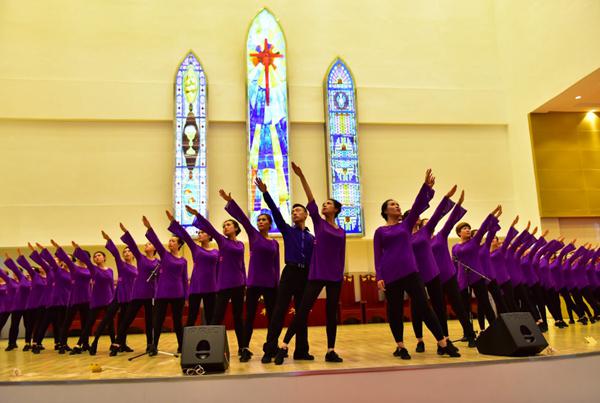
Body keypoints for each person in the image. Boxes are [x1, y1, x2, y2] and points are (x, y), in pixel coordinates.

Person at [374, 169, 460, 360]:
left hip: (411, 272)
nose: (396, 206)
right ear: (385, 211)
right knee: (394, 311)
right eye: (392, 205)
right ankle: (401, 346)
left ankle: (443, 343)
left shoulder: (405, 225)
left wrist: (426, 187)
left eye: (397, 204)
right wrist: (379, 276)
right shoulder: (380, 231)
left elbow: (417, 205)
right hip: (390, 274)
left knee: (425, 306)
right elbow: (377, 254)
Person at [274, 162, 346, 365]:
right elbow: (311, 199)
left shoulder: (341, 232)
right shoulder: (318, 223)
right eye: (323, 204)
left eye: (328, 204)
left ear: (337, 209)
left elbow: (341, 255)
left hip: (335, 276)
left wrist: (340, 275)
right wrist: (301, 176)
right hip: (317, 274)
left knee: (331, 313)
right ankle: (284, 345)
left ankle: (331, 350)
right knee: (303, 310)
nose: (324, 206)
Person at [255, 177, 315, 364]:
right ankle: (270, 349)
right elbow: (275, 211)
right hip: (290, 273)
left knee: (302, 313)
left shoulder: (312, 238)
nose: (295, 213)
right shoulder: (288, 231)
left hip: (305, 275)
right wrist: (265, 193)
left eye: (298, 210)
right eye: (293, 211)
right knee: (279, 312)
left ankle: (301, 350)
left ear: (306, 215)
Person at [218, 190, 279, 362]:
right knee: (249, 317)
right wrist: (231, 201)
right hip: (253, 283)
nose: (260, 222)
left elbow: (276, 265)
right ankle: (244, 348)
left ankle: (271, 347)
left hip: (270, 284)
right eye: (259, 220)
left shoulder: (274, 243)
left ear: (269, 224)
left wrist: (277, 284)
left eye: (264, 220)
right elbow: (243, 219)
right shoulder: (253, 236)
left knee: (272, 318)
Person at [186, 204, 246, 355]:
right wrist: (197, 215)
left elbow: (242, 265)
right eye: (224, 225)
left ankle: (243, 348)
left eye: (228, 225)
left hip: (239, 284)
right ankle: (210, 348)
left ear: (236, 228)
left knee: (238, 317)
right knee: (216, 318)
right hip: (224, 286)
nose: (225, 227)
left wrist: (245, 282)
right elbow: (210, 228)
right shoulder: (222, 241)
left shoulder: (241, 245)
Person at [408, 185, 457, 353]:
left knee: (439, 306)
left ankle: (444, 340)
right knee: (418, 308)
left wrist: (446, 198)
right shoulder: (402, 235)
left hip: (431, 272)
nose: (416, 218)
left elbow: (437, 215)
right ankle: (420, 340)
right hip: (414, 275)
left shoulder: (424, 231)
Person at [430, 190, 476, 347]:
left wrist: (459, 204)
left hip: (449, 276)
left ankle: (470, 335)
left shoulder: (440, 236)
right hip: (433, 278)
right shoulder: (419, 242)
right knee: (439, 310)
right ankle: (444, 340)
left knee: (459, 307)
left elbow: (450, 221)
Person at [143, 216, 188, 355]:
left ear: (179, 244)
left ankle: (181, 346)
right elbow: (155, 241)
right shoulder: (164, 255)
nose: (170, 242)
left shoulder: (184, 261)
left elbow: (184, 279)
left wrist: (186, 297)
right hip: (162, 293)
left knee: (177, 322)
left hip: (178, 294)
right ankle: (153, 346)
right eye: (169, 240)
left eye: (173, 241)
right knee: (157, 321)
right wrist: (149, 228)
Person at [111, 224, 159, 356]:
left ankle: (150, 345)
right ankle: (117, 343)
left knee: (150, 321)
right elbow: (132, 245)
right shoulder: (140, 257)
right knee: (127, 319)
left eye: (149, 244)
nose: (146, 245)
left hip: (151, 295)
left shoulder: (158, 263)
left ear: (154, 248)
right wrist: (126, 232)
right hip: (138, 293)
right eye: (146, 244)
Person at [453, 205, 502, 330]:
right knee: (465, 307)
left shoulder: (474, 242)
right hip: (462, 278)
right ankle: (468, 332)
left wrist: (492, 215)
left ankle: (495, 328)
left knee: (485, 303)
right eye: (465, 228)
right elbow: (455, 262)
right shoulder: (455, 247)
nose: (468, 230)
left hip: (476, 275)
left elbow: (483, 228)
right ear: (459, 233)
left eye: (469, 228)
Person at [88, 231, 137, 355]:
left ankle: (122, 344)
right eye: (124, 252)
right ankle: (94, 343)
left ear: (133, 254)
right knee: (106, 320)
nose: (126, 253)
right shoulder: (122, 265)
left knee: (124, 323)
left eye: (128, 251)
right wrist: (109, 240)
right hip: (119, 296)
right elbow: (115, 253)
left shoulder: (136, 269)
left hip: (130, 298)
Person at [166, 212, 218, 328]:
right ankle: (187, 344)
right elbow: (185, 235)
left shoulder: (216, 252)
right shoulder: (195, 248)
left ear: (210, 236)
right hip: (196, 286)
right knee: (192, 317)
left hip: (211, 287)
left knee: (210, 317)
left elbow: (219, 270)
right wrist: (174, 223)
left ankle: (212, 344)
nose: (199, 234)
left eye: (202, 232)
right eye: (198, 232)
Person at [70, 242, 115, 355]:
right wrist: (78, 249)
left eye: (99, 255)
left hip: (109, 299)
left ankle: (114, 344)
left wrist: (115, 300)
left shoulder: (110, 270)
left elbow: (111, 285)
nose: (96, 257)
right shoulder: (93, 269)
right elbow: (86, 259)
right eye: (95, 256)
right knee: (89, 323)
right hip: (96, 299)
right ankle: (78, 344)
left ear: (104, 258)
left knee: (110, 323)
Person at [32, 243, 72, 353]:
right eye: (63, 259)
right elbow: (51, 261)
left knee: (63, 325)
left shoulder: (72, 272)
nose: (64, 260)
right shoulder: (56, 270)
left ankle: (62, 343)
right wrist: (44, 250)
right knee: (45, 323)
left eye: (68, 259)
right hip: (54, 301)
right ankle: (37, 344)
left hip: (65, 301)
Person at [3, 254, 32, 351]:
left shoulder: (27, 281)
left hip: (27, 306)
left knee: (27, 325)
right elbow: (2, 274)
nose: (15, 274)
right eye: (14, 273)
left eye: (17, 272)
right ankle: (12, 343)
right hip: (16, 307)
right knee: (14, 325)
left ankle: (28, 343)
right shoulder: (10, 281)